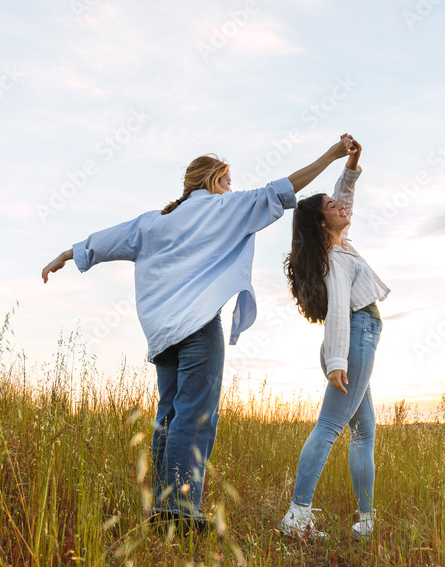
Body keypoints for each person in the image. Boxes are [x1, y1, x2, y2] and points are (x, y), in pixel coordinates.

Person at [42, 135, 357, 532]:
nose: (231, 187)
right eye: (228, 180)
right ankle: (178, 510)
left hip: (160, 334)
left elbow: (105, 240)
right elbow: (287, 186)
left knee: (170, 413)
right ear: (216, 180)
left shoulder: (154, 222)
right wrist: (331, 155)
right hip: (197, 324)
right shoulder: (225, 207)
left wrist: (66, 255)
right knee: (196, 413)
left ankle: (162, 506)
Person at [279, 138, 390, 540]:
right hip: (354, 340)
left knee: (364, 433)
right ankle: (297, 516)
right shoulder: (335, 260)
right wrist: (338, 363)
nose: (341, 208)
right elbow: (340, 313)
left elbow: (342, 200)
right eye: (331, 208)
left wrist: (353, 163)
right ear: (321, 223)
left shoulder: (338, 245)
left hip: (359, 341)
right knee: (329, 426)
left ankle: (366, 519)